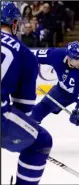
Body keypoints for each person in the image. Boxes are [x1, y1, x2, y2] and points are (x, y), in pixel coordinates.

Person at [1, 2, 53, 185]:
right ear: (14, 24)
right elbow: (24, 108)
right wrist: (24, 136)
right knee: (41, 141)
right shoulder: (23, 53)